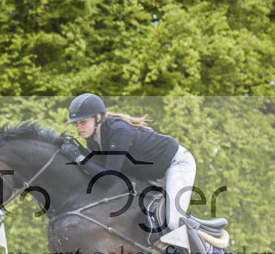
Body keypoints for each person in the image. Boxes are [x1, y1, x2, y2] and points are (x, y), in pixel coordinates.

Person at [66, 93, 196, 235]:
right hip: (152, 174)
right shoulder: (93, 138)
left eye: (83, 122)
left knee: (173, 222)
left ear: (98, 118)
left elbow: (108, 178)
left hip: (177, 164)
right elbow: (96, 171)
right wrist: (79, 153)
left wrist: (78, 157)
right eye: (76, 123)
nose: (78, 127)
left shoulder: (118, 131)